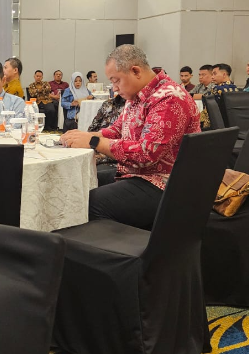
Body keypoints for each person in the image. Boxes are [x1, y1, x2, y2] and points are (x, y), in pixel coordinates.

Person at [59, 44, 200, 230]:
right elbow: (118, 129)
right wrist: (86, 135)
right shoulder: (137, 96)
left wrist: (94, 141)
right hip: (139, 175)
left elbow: (146, 153)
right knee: (80, 184)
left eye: (116, 81)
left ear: (135, 71)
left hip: (165, 184)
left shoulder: (169, 98)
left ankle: (108, 247)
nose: (115, 88)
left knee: (88, 201)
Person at [87, 93, 127, 186]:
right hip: (96, 150)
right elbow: (92, 128)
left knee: (89, 175)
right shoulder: (107, 104)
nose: (115, 89)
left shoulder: (135, 106)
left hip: (113, 159)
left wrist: (100, 153)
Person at [200, 63, 238, 129]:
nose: (212, 77)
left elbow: (208, 108)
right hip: (233, 124)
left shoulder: (217, 89)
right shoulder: (235, 88)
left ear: (224, 74)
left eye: (215, 74)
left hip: (216, 125)